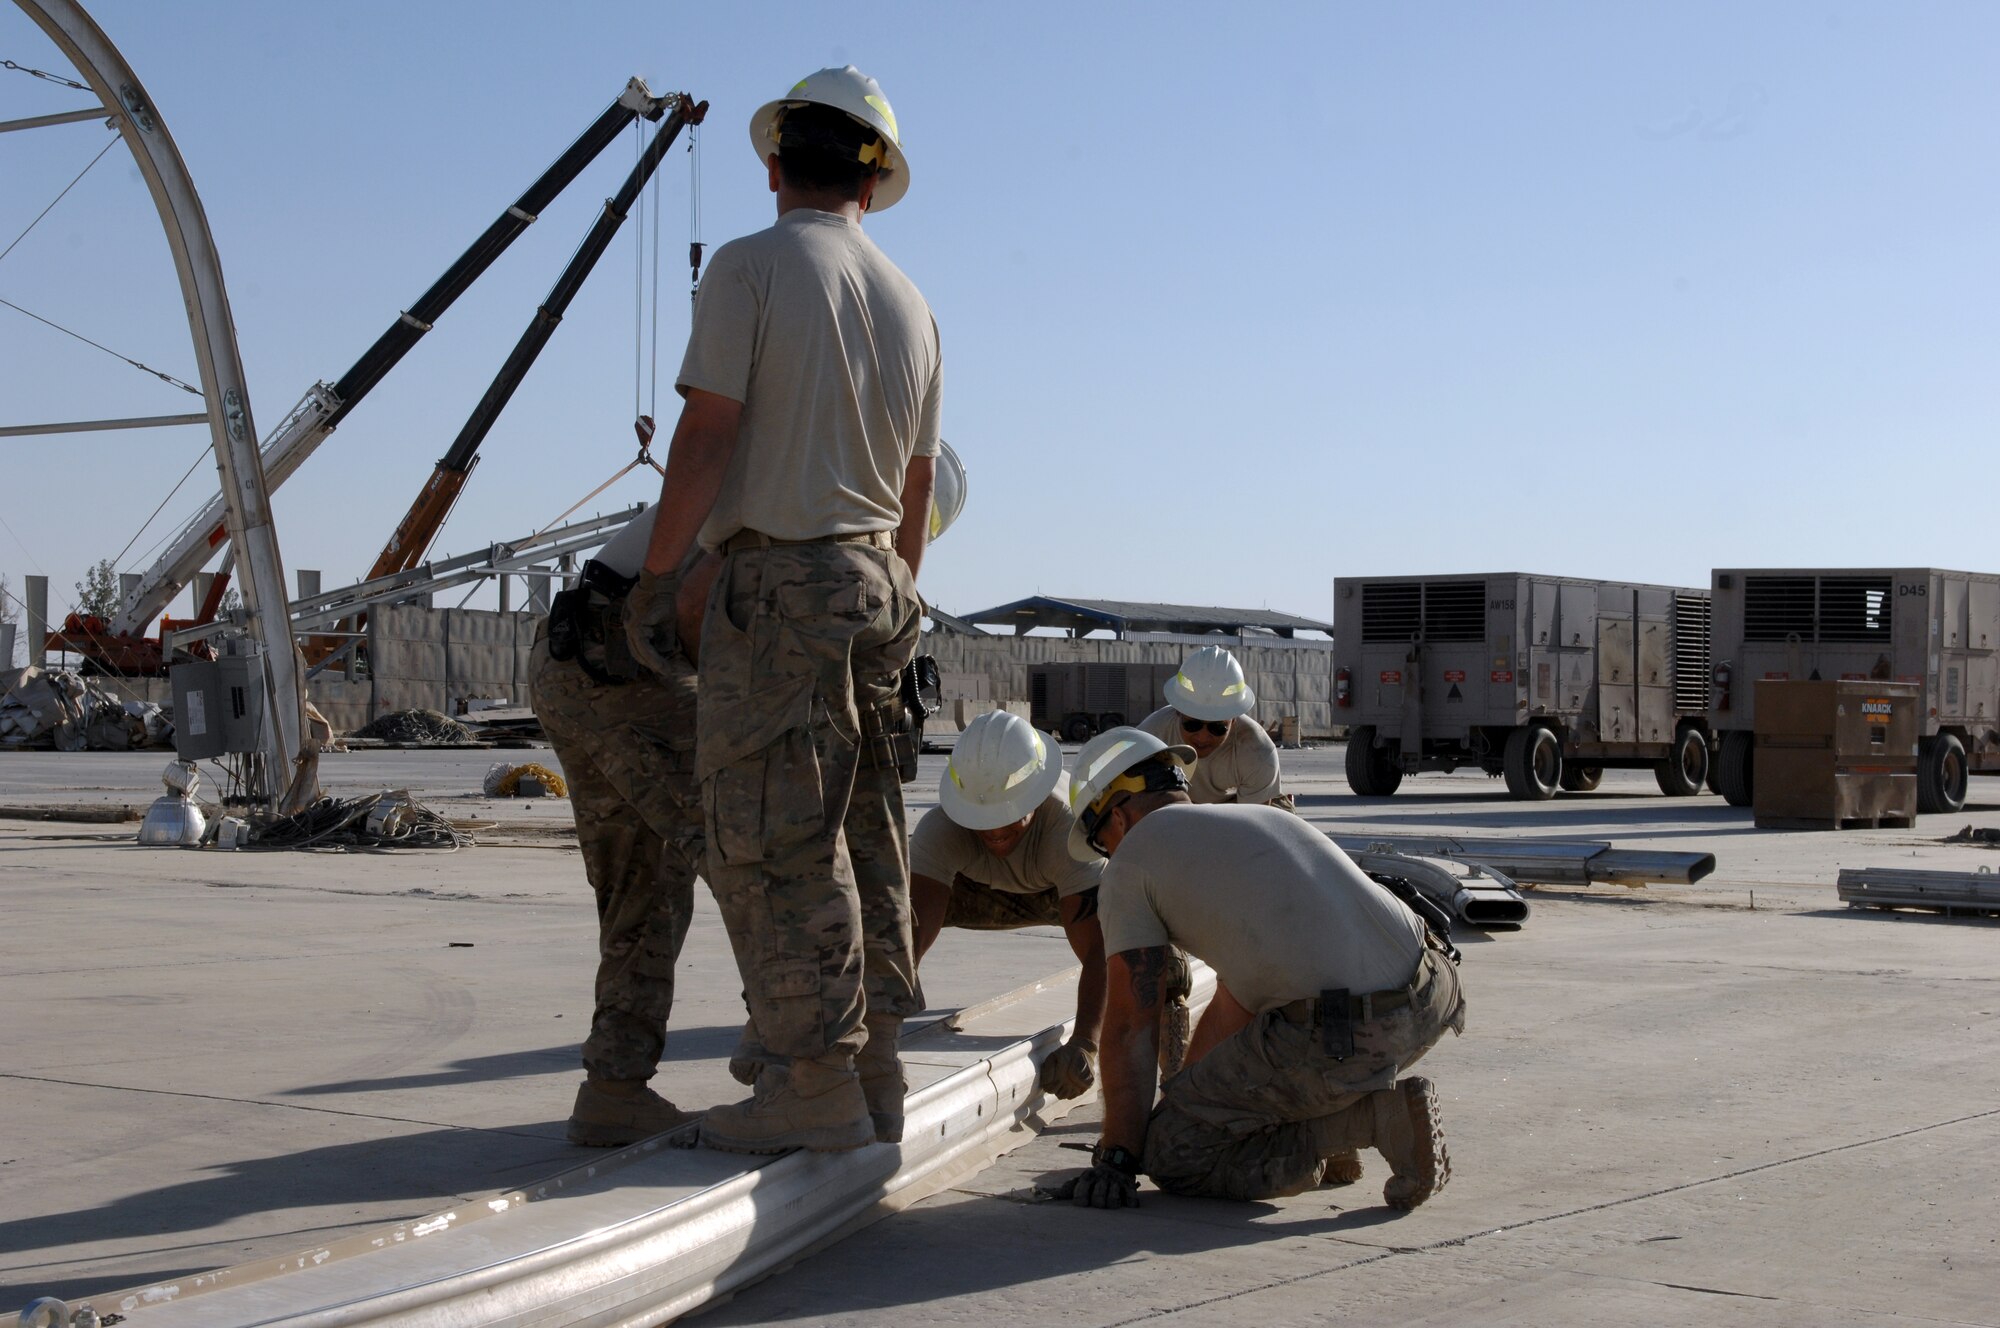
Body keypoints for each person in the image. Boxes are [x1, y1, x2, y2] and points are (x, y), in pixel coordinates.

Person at [630, 65, 940, 1155]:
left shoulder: (748, 270)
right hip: (879, 585)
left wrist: (657, 578)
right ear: (875, 178)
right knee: (868, 827)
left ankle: (811, 1080)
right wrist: (892, 600)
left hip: (784, 588)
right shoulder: (910, 303)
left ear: (772, 165)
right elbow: (914, 492)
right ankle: (876, 1064)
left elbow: (707, 436)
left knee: (769, 835)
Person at [1052, 727, 1466, 1211]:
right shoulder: (1255, 821)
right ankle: (1331, 1118)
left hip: (1350, 1031)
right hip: (1433, 992)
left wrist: (1119, 1158)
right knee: (1198, 1109)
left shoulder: (1132, 864)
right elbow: (1239, 1003)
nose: (1109, 857)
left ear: (1118, 818)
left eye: (1103, 844)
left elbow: (1128, 1027)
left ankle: (1366, 1122)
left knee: (1172, 1152)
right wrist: (1184, 1100)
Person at [529, 503, 704, 1146]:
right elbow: (702, 599)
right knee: (761, 863)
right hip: (636, 669)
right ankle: (797, 1075)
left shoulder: (779, 451)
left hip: (572, 656)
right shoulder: (798, 474)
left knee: (644, 884)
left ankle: (614, 1090)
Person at [909, 710, 1108, 1103]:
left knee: (1152, 962)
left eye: (1008, 818)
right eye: (980, 819)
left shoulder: (1068, 830)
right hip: (981, 896)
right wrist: (886, 1006)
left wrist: (1086, 1042)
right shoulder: (941, 830)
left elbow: (1101, 955)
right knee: (878, 909)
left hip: (1058, 895)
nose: (994, 831)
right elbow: (905, 929)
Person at [1138, 646, 1292, 810]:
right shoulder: (1152, 736)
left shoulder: (1257, 751)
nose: (1203, 737)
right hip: (1177, 806)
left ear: (1233, 720)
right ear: (1178, 712)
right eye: (1192, 725)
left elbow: (1252, 825)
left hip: (1236, 809)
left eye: (1217, 728)